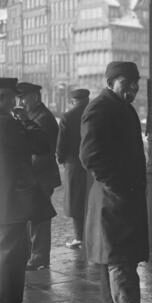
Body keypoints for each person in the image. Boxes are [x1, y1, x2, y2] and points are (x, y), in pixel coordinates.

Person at [80, 61, 152, 303]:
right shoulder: (100, 108)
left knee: (112, 257)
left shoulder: (120, 106)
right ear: (110, 82)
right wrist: (118, 185)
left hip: (117, 197)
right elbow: (90, 156)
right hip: (113, 198)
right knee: (120, 260)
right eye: (126, 83)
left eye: (135, 83)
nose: (133, 88)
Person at [0, 77, 54, 303]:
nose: (15, 103)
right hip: (9, 200)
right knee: (11, 254)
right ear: (2, 98)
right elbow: (42, 144)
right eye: (12, 98)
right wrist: (25, 119)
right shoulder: (7, 122)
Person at [16, 82, 60, 270]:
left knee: (40, 218)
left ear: (34, 97)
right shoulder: (36, 115)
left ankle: (39, 256)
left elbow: (42, 151)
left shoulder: (42, 118)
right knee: (34, 216)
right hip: (37, 175)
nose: (21, 102)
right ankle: (35, 254)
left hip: (40, 176)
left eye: (23, 98)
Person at [56, 88, 91, 249]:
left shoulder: (68, 117)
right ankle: (91, 236)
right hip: (92, 163)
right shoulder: (94, 112)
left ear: (72, 101)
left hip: (73, 163)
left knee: (75, 201)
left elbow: (61, 142)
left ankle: (79, 237)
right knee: (90, 199)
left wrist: (61, 158)